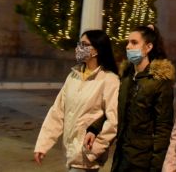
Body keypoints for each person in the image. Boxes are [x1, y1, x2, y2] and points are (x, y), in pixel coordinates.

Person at [86, 24, 175, 172]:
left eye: (134, 42)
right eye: (128, 42)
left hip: (142, 162)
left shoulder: (159, 82)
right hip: (121, 157)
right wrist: (94, 129)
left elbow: (163, 129)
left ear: (148, 47)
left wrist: (156, 166)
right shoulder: (126, 78)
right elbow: (114, 108)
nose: (128, 46)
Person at [34, 29, 120, 171]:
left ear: (96, 51)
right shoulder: (73, 76)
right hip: (70, 155)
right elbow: (57, 112)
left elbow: (113, 120)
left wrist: (93, 150)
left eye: (84, 44)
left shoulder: (109, 80)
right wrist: (43, 144)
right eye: (79, 43)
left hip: (86, 158)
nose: (79, 48)